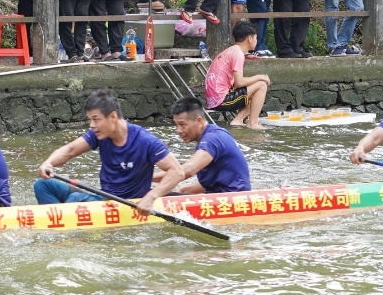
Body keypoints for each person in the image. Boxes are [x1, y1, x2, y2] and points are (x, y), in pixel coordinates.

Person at [33, 88, 178, 205]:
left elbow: (176, 171)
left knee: (75, 199)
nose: (92, 125)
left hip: (126, 204)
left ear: (113, 116)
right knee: (42, 185)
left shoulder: (145, 140)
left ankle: (62, 224)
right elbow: (70, 150)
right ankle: (56, 222)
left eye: (96, 119)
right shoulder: (98, 134)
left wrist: (152, 197)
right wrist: (48, 163)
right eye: (90, 120)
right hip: (103, 198)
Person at [140, 97, 254, 203]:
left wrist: (145, 177)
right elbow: (219, 178)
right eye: (176, 125)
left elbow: (188, 170)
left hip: (234, 201)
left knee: (150, 195)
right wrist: (186, 190)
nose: (178, 130)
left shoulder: (213, 139)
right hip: (223, 197)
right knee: (183, 190)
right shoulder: (209, 137)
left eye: (182, 124)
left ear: (199, 121)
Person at [205, 20, 271, 129]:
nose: (256, 40)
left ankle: (238, 120)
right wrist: (260, 77)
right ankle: (253, 123)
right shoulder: (238, 54)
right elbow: (239, 82)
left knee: (255, 92)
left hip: (213, 99)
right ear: (250, 38)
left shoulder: (232, 51)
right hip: (221, 99)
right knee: (261, 85)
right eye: (255, 37)